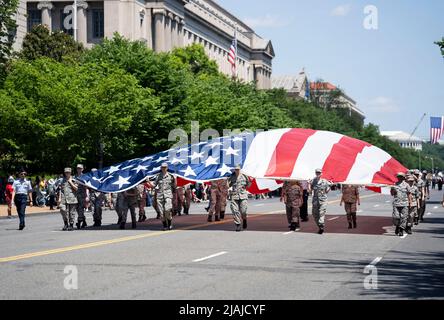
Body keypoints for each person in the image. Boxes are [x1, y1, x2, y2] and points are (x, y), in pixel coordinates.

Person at [153, 163, 176, 231]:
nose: (164, 168)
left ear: (167, 168)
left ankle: (169, 222)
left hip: (168, 195)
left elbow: (174, 186)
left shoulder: (171, 176)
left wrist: (175, 179)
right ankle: (165, 225)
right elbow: (154, 185)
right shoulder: (158, 176)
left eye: (165, 167)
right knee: (161, 212)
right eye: (162, 167)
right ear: (161, 168)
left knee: (167, 209)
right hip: (159, 196)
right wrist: (148, 181)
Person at [228, 165, 251, 232]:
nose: (237, 171)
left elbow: (248, 185)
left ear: (240, 169)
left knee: (243, 211)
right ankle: (238, 224)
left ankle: (244, 219)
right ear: (234, 170)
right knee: (234, 210)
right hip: (234, 196)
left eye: (238, 169)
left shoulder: (244, 176)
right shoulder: (231, 176)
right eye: (236, 169)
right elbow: (228, 186)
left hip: (243, 195)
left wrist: (250, 182)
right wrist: (226, 180)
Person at [310, 168, 331, 235]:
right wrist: (308, 184)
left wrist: (329, 186)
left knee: (321, 212)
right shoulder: (313, 181)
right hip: (315, 200)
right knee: (314, 214)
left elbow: (327, 191)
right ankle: (320, 226)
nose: (318, 174)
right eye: (317, 173)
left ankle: (321, 224)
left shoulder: (325, 181)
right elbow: (310, 191)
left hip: (323, 200)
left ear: (321, 173)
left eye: (319, 173)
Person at [390, 172, 409, 237]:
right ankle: (397, 226)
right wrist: (393, 190)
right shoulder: (394, 185)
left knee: (404, 217)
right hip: (396, 203)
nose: (399, 178)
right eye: (398, 176)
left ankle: (401, 229)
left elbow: (409, 194)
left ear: (403, 177)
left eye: (401, 176)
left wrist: (410, 202)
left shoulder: (406, 185)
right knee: (396, 217)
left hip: (405, 203)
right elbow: (392, 194)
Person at [75, 164, 88, 229]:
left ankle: (79, 222)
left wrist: (87, 196)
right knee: (78, 209)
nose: (79, 169)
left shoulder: (84, 177)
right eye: (78, 168)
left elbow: (86, 187)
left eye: (80, 168)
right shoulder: (75, 177)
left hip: (82, 195)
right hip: (76, 196)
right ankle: (84, 221)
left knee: (80, 209)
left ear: (82, 169)